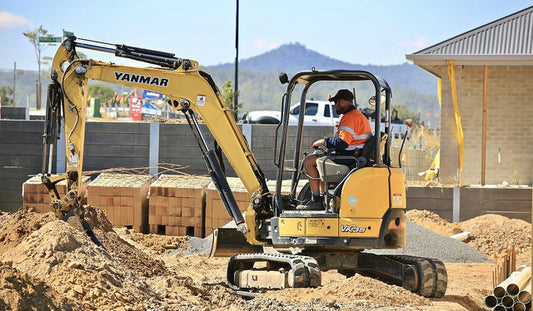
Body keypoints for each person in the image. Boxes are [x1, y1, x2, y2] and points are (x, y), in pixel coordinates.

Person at [302, 89, 372, 209]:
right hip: (354, 154)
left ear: (343, 102)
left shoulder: (351, 117)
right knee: (321, 160)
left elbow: (342, 143)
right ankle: (326, 198)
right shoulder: (358, 115)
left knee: (309, 161)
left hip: (349, 157)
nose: (335, 106)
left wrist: (323, 141)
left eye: (336, 102)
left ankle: (317, 201)